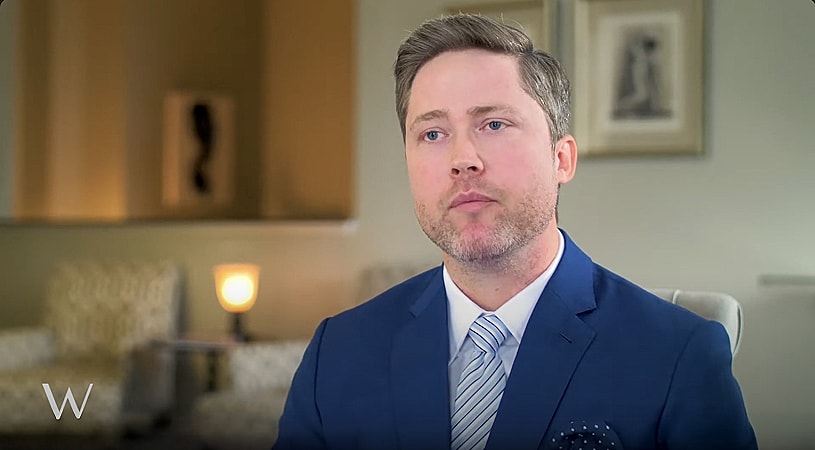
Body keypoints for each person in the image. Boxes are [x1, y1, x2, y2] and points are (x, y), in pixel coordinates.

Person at [273, 13, 757, 450]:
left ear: (561, 159)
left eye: (495, 124)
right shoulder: (337, 354)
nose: (463, 159)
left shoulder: (677, 356)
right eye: (433, 134)